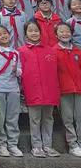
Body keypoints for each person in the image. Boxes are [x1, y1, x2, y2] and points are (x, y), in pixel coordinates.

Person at [19, 21, 60, 158]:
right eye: (30, 31)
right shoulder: (21, 51)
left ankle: (48, 145)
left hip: (49, 91)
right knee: (35, 119)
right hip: (32, 91)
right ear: (25, 34)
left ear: (41, 33)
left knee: (48, 118)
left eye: (36, 30)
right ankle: (36, 146)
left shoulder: (50, 50)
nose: (34, 33)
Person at [0, 25, 23, 157]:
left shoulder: (16, 53)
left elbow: (19, 70)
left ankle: (13, 144)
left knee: (12, 117)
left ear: (9, 34)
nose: (3, 36)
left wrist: (16, 70)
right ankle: (2, 144)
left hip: (13, 88)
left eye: (5, 33)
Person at [55, 23, 81, 157]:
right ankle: (73, 144)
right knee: (68, 118)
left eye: (67, 31)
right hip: (63, 91)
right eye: (61, 31)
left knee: (80, 117)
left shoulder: (77, 50)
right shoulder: (54, 51)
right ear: (56, 34)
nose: (65, 34)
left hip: (79, 89)